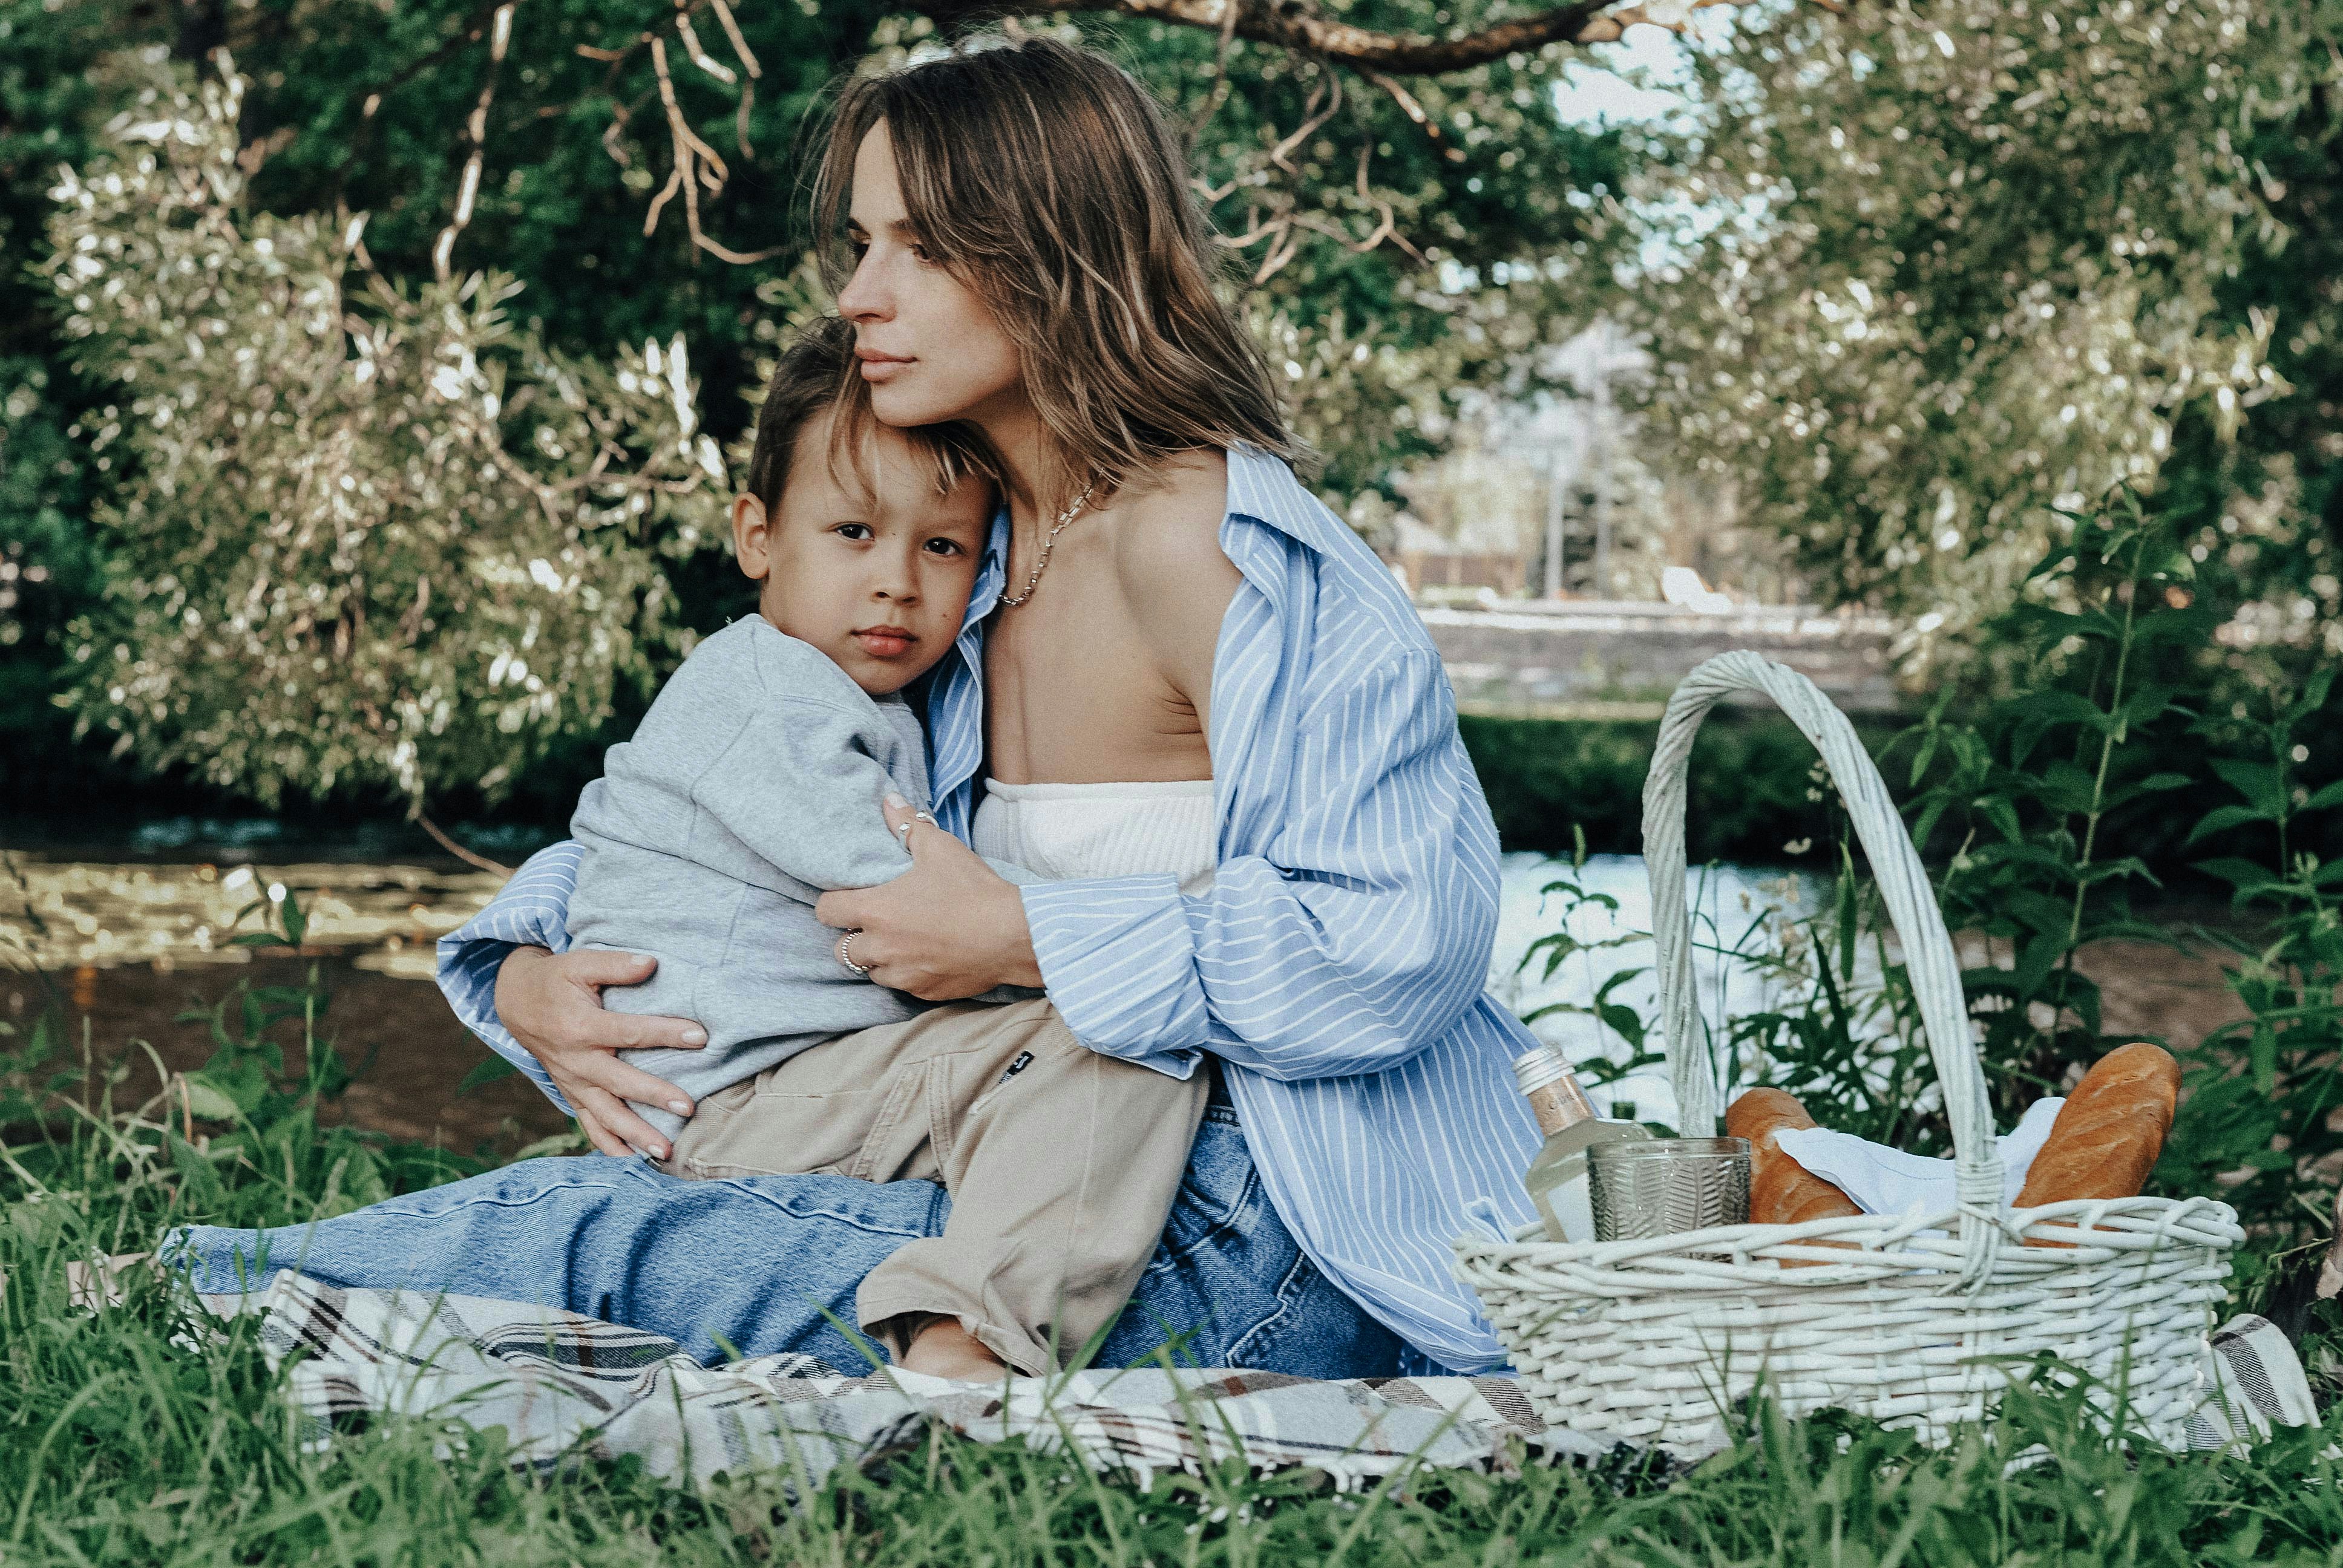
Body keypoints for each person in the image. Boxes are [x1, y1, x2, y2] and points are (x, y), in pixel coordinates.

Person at [163, 34, 1548, 1380]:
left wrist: (1028, 934)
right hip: (1026, 1172)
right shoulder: (958, 559)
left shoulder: (1212, 545)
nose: (859, 297)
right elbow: (745, 789)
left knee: (610, 1239)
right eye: (862, 245)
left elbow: (1402, 934)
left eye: (919, 250)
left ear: (1054, 255)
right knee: (644, 1219)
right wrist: (525, 971)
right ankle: (205, 1288)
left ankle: (180, 1294)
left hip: (1255, 1238)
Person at [560, 323, 1208, 1379]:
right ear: (758, 538)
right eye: (854, 533)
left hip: (787, 1081)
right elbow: (913, 899)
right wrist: (1132, 933)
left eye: (942, 547)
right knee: (1122, 1034)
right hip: (733, 1103)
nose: (899, 583)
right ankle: (969, 1342)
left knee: (1103, 1028)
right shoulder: (767, 696)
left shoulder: (857, 695)